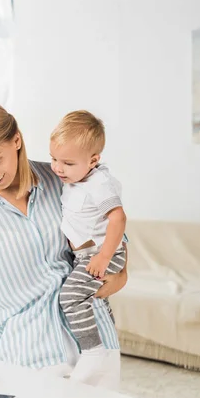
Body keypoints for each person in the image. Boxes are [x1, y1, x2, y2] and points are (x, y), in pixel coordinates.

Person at [0, 102, 127, 389]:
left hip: (92, 343)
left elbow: (112, 241)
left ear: (16, 140)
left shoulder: (65, 182)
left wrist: (117, 278)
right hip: (26, 356)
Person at [50, 110, 127, 383]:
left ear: (93, 160)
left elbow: (118, 218)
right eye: (54, 159)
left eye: (67, 163)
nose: (58, 168)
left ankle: (93, 350)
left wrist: (104, 257)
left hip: (102, 255)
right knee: (73, 296)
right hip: (85, 255)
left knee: (69, 296)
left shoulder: (100, 183)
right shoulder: (73, 179)